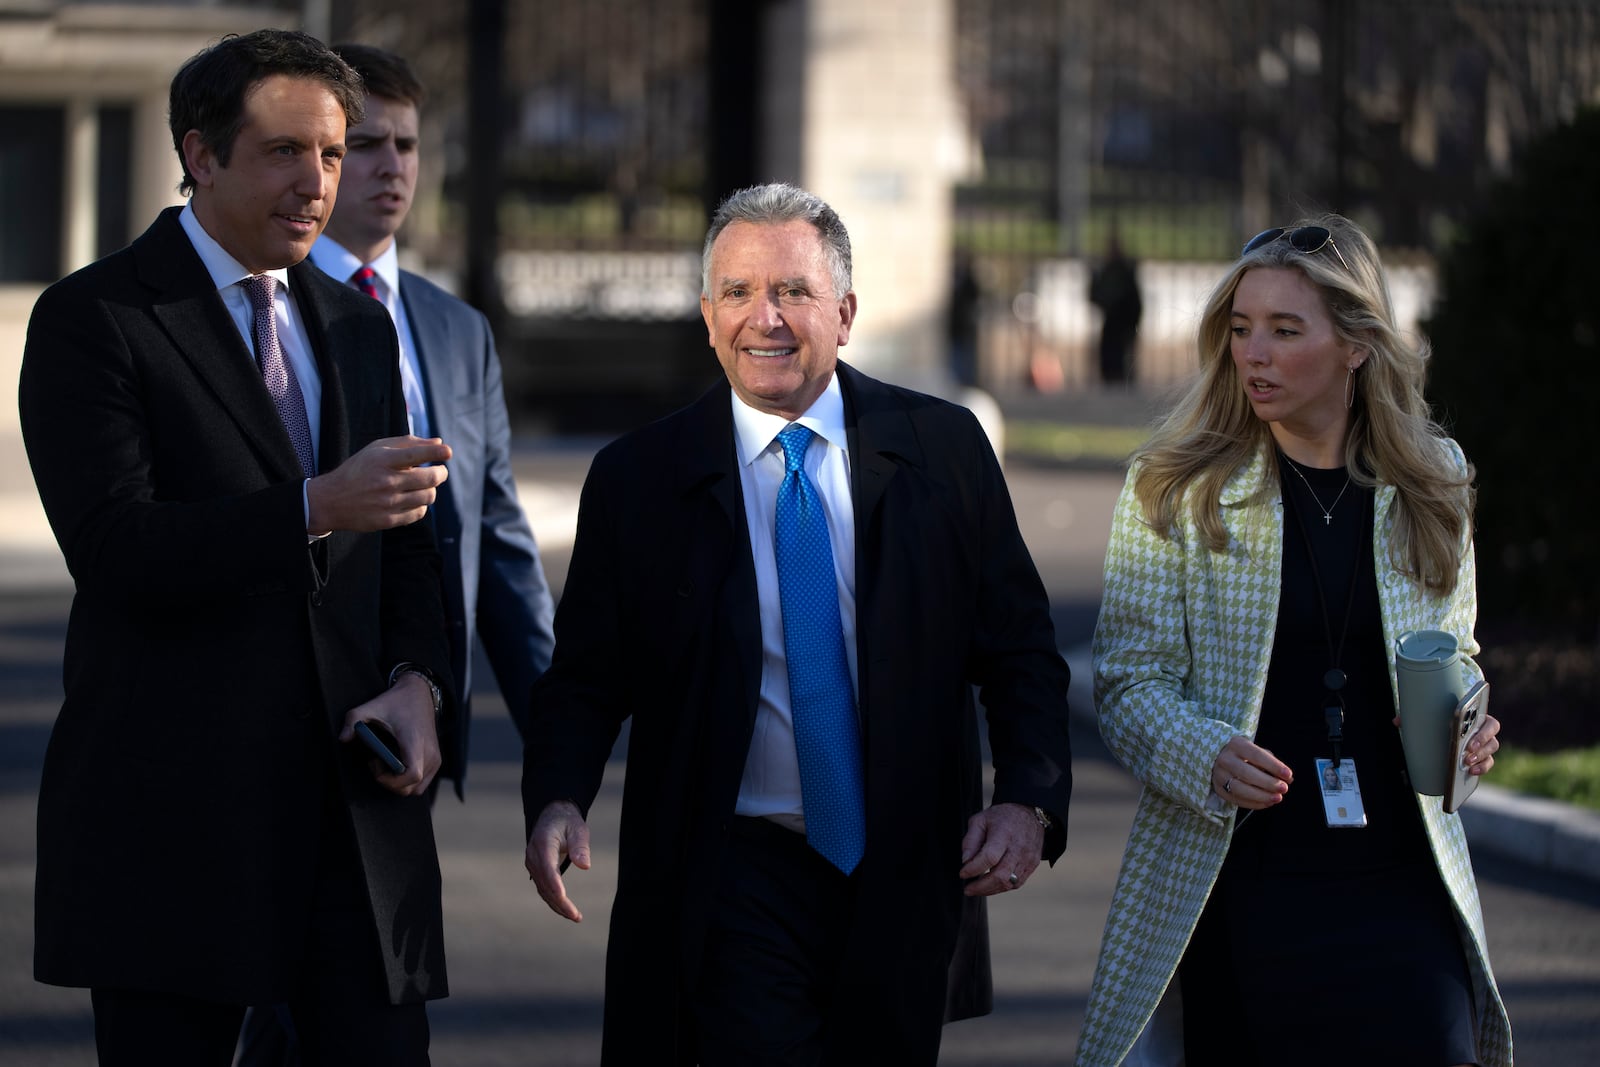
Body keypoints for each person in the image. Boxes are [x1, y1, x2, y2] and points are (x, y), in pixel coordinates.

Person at [521, 182, 1073, 1065]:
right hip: (732, 873)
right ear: (706, 316)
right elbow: (587, 674)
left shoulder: (942, 448)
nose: (763, 318)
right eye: (737, 293)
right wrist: (557, 795)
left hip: (902, 871)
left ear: (845, 312)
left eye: (793, 292)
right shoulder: (640, 479)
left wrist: (1027, 800)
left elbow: (1019, 651)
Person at [19, 29, 456, 1065]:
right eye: (284, 152)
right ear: (201, 154)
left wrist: (419, 680)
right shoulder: (98, 317)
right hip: (176, 830)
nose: (317, 184)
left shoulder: (356, 323)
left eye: (334, 155)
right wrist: (312, 503)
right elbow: (119, 549)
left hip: (356, 827)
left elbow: (411, 539)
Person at [1074, 216, 1512, 1066]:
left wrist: (1470, 726)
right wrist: (1201, 751)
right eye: (1241, 329)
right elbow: (1126, 682)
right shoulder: (1176, 486)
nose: (1254, 354)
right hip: (1243, 877)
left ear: (1355, 345)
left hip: (1402, 871)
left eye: (1284, 329)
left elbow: (1455, 653)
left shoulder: (1433, 478)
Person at [310, 43, 556, 788]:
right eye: (365, 145)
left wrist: (556, 729)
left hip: (425, 705)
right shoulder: (269, 308)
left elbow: (496, 530)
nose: (393, 166)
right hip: (303, 695)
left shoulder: (457, 329)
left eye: (407, 144)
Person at [1087, 230, 1142, 385]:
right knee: (1112, 369)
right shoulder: (1110, 270)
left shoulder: (1124, 271)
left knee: (1122, 368)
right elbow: (1096, 297)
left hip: (1123, 327)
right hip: (1113, 328)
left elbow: (1133, 302)